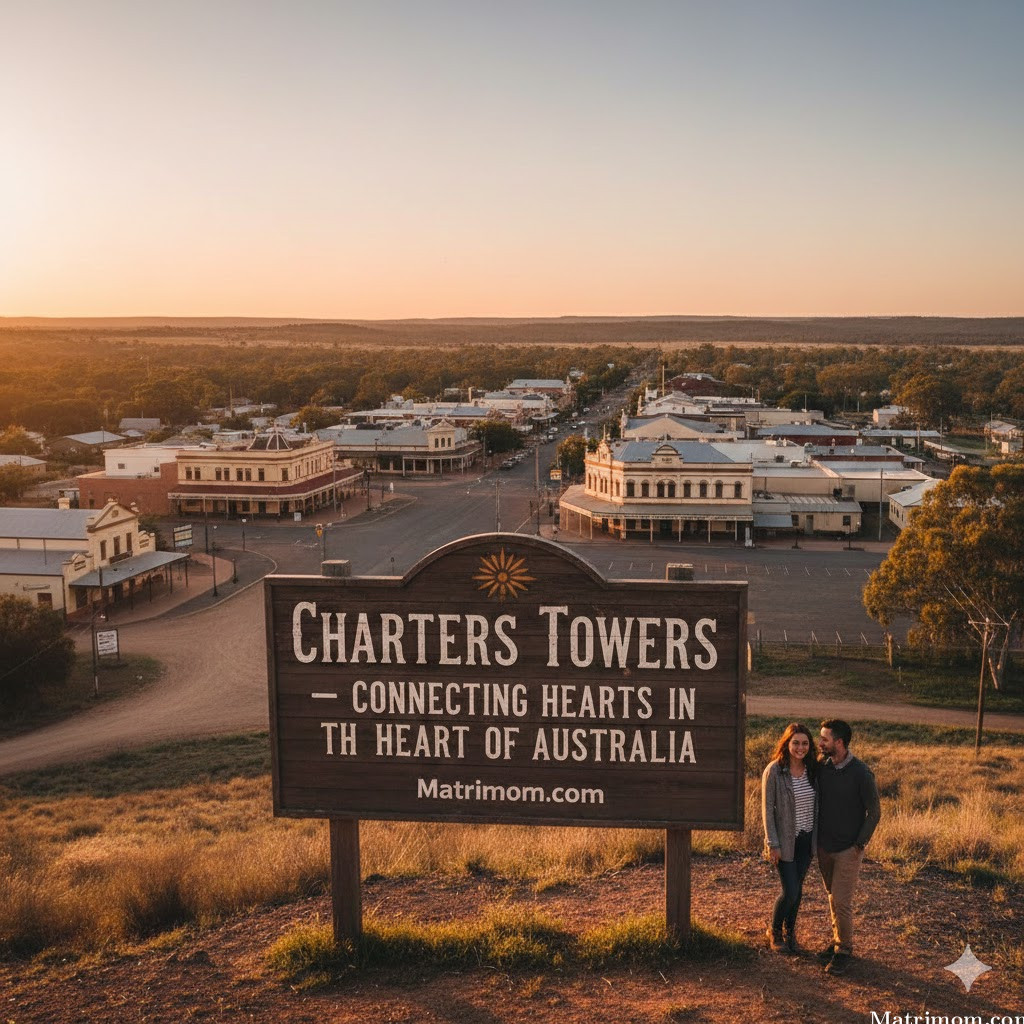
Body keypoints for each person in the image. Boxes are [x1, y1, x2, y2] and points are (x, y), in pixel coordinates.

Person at [816, 718, 881, 976]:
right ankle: (836, 941)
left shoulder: (861, 773)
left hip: (847, 849)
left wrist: (859, 844)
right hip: (824, 847)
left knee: (842, 901)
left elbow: (874, 812)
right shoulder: (823, 767)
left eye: (824, 739)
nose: (819, 743)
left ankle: (844, 950)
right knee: (833, 897)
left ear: (839, 742)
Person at [761, 722, 818, 954]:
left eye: (805, 743)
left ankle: (790, 933)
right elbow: (766, 810)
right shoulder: (775, 770)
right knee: (790, 891)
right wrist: (772, 844)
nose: (800, 748)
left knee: (799, 889)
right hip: (784, 841)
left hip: (807, 840)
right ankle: (774, 930)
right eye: (796, 743)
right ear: (787, 743)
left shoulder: (813, 770)